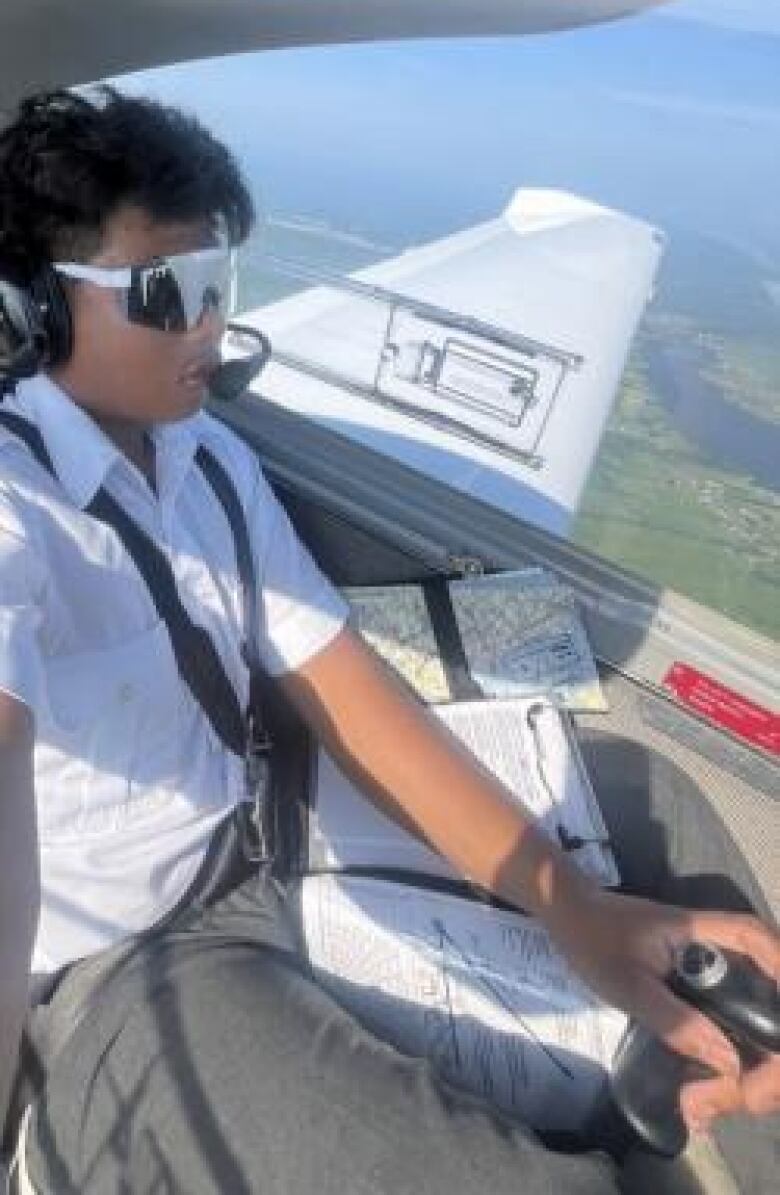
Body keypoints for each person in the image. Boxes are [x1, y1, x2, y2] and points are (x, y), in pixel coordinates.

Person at [0, 86, 777, 1195]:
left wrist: (573, 908)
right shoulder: (14, 507)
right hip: (118, 973)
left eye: (224, 286)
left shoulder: (206, 459)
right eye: (172, 294)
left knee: (668, 850)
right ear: (42, 311)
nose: (214, 330)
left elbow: (349, 692)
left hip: (276, 852)